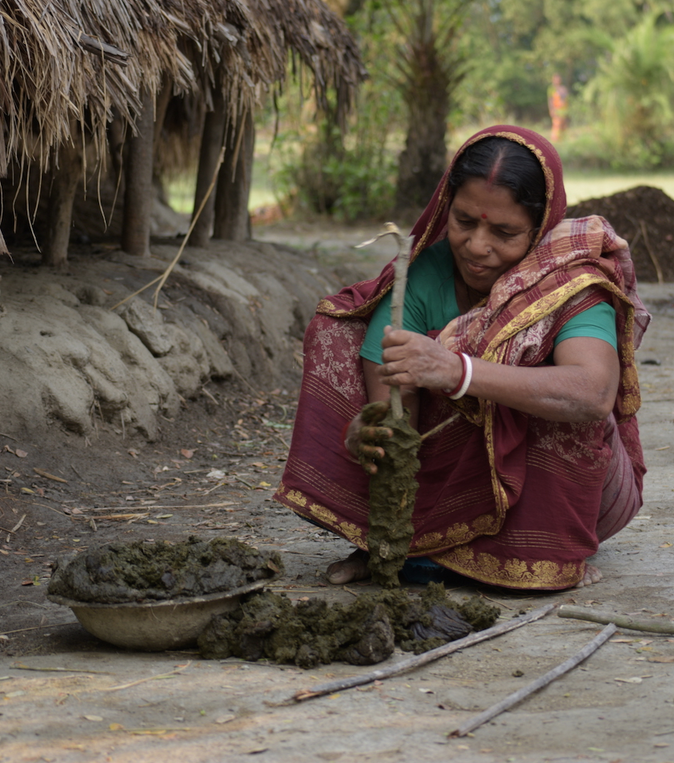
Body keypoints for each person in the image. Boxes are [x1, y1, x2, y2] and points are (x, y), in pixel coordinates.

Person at [274, 125, 650, 591]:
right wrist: (373, 433)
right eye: (464, 222)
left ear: (540, 227)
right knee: (337, 337)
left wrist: (459, 372)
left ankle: (540, 545)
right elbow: (401, 425)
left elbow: (593, 393)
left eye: (504, 231)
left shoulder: (571, 283)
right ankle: (417, 551)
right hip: (446, 492)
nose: (477, 246)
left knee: (549, 395)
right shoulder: (418, 278)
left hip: (576, 493)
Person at [548, 74, 569, 142]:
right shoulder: (551, 89)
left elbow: (566, 98)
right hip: (556, 110)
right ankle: (555, 139)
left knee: (563, 125)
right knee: (556, 125)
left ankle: (563, 139)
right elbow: (550, 100)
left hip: (563, 110)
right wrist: (551, 109)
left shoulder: (563, 88)